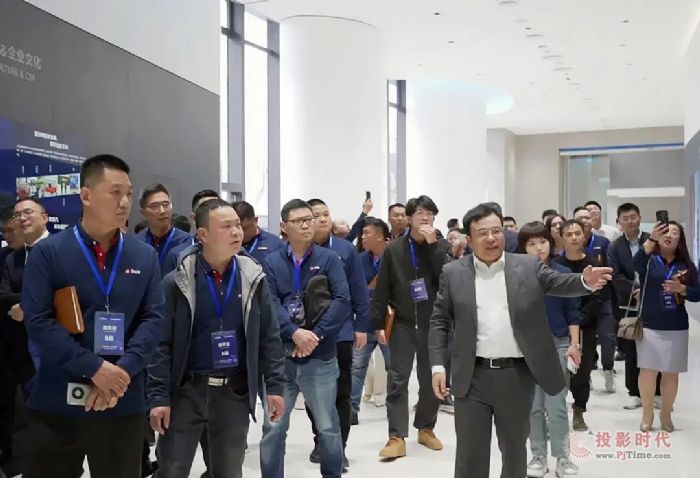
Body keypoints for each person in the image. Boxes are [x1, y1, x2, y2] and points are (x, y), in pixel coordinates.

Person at [429, 203, 611, 478]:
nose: (491, 238)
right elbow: (439, 321)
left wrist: (583, 281)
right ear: (469, 239)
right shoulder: (453, 273)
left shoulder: (527, 265)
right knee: (470, 456)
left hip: (514, 376)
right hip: (471, 376)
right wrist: (437, 366)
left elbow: (558, 283)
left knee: (514, 454)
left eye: (496, 231)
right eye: (482, 233)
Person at [21, 154, 164, 478]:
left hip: (122, 400)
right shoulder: (49, 253)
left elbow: (153, 320)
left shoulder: (144, 256)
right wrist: (95, 368)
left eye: (128, 193)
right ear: (86, 195)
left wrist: (120, 373)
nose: (124, 201)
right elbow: (38, 321)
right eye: (115, 192)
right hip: (58, 399)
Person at [147, 199, 285, 478]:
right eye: (226, 226)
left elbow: (269, 336)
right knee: (172, 469)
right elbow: (160, 345)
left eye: (237, 225)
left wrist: (275, 386)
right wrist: (159, 397)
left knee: (228, 471)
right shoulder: (177, 281)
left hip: (234, 392)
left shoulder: (253, 278)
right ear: (203, 235)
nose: (236, 232)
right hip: (187, 391)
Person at [259, 199, 350, 478]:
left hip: (320, 358)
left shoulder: (329, 259)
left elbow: (342, 300)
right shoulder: (272, 261)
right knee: (273, 428)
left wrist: (315, 336)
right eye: (299, 221)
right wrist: (294, 333)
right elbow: (270, 303)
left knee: (328, 427)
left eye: (309, 219)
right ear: (283, 227)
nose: (307, 225)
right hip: (281, 360)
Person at [372, 195, 450, 459]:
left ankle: (426, 428)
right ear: (409, 218)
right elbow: (382, 287)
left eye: (430, 213)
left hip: (433, 322)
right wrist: (377, 323)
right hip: (403, 322)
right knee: (398, 378)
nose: (425, 217)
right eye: (419, 213)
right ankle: (396, 436)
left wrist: (434, 246)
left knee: (432, 379)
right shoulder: (394, 249)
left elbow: (448, 278)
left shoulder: (441, 245)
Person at [306, 199, 371, 470]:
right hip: (308, 334)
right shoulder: (300, 251)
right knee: (312, 394)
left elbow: (359, 289)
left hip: (341, 332)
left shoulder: (345, 249)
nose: (323, 219)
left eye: (326, 214)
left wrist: (362, 326)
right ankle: (320, 438)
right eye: (316, 215)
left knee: (341, 392)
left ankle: (338, 447)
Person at [517, 222, 581, 478]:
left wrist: (574, 344)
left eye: (542, 241)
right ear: (523, 248)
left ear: (550, 243)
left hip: (559, 343)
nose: (538, 247)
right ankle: (538, 455)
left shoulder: (562, 272)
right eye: (531, 243)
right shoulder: (517, 275)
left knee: (556, 405)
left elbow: (573, 313)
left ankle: (563, 457)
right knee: (533, 406)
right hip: (527, 347)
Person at [634, 220, 700, 433]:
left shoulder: (686, 266)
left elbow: (697, 294)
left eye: (674, 232)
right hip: (650, 324)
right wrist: (650, 240)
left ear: (680, 239)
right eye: (665, 232)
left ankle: (666, 414)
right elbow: (635, 264)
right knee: (648, 371)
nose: (669, 235)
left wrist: (683, 290)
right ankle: (647, 414)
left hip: (676, 326)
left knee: (671, 373)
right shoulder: (649, 260)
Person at [0, 198, 49, 470]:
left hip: (52, 343)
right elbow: (4, 295)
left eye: (27, 212)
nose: (21, 219)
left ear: (44, 216)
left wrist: (28, 306)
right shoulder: (13, 258)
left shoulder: (60, 249)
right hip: (18, 345)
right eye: (17, 215)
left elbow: (65, 292)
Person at [555, 219, 610, 431]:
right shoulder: (555, 265)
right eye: (569, 234)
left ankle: (579, 411)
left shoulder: (594, 265)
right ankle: (555, 413)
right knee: (557, 371)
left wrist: (578, 318)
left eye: (577, 233)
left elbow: (600, 297)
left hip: (586, 326)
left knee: (582, 371)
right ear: (561, 238)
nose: (574, 237)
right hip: (558, 326)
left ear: (584, 236)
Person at [607, 203, 661, 410]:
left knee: (655, 347)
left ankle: (656, 392)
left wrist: (648, 289)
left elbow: (661, 266)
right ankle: (634, 392)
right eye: (625, 218)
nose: (630, 221)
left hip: (654, 301)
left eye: (633, 217)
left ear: (639, 217)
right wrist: (636, 289)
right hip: (628, 304)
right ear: (619, 222)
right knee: (631, 349)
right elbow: (615, 275)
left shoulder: (652, 240)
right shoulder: (615, 247)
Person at [350, 217, 391, 422]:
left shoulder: (394, 257)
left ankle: (395, 408)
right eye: (362, 233)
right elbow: (355, 291)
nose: (363, 237)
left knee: (394, 367)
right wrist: (371, 292)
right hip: (364, 323)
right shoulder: (359, 259)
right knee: (357, 368)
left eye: (367, 233)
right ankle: (352, 411)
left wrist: (369, 292)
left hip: (389, 323)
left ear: (381, 236)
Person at [572, 206, 615, 390]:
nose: (584, 221)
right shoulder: (571, 244)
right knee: (586, 343)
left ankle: (608, 369)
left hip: (603, 298)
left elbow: (611, 268)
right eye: (580, 218)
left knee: (607, 338)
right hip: (583, 301)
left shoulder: (603, 242)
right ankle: (586, 374)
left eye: (587, 217)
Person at [162, 190, 221, 275]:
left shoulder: (233, 251)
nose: (213, 217)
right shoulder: (177, 255)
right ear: (194, 218)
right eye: (205, 211)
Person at [136, 183, 192, 271]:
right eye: (154, 206)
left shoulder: (187, 242)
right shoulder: (137, 243)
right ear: (143, 212)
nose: (162, 211)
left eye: (166, 205)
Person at [232, 200, 284, 265]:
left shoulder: (274, 244)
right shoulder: (226, 244)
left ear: (255, 220)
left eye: (245, 229)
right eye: (237, 228)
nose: (241, 233)